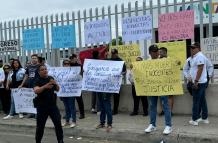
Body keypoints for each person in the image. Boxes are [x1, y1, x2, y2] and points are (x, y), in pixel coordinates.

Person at [144, 44, 172, 135]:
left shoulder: (163, 60)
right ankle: (152, 125)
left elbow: (172, 65)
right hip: (152, 88)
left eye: (157, 51)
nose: (156, 53)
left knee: (165, 105)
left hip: (162, 87)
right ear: (150, 53)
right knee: (152, 106)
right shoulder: (147, 62)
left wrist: (177, 63)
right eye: (154, 52)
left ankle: (168, 125)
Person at [33, 65, 64, 143]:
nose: (45, 70)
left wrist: (56, 84)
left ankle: (60, 140)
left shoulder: (51, 78)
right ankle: (38, 141)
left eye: (45, 69)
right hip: (42, 107)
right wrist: (45, 86)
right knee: (40, 126)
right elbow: (36, 90)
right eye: (42, 70)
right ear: (39, 72)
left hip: (53, 106)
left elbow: (58, 89)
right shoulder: (37, 80)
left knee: (58, 124)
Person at [187, 42, 210, 126]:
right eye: (191, 48)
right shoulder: (195, 57)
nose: (191, 49)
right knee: (202, 100)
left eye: (193, 48)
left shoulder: (199, 56)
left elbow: (200, 69)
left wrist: (196, 81)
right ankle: (204, 118)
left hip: (198, 83)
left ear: (198, 48)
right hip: (201, 82)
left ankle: (194, 119)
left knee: (196, 101)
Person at [109, 49, 126, 115]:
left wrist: (120, 73)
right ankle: (108, 109)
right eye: (112, 54)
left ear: (117, 53)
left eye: (114, 54)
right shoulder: (109, 60)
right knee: (108, 96)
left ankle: (115, 110)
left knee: (116, 97)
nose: (113, 55)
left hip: (117, 82)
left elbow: (124, 71)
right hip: (109, 81)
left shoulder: (121, 61)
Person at [60, 59, 77, 128]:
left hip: (71, 92)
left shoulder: (73, 72)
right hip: (63, 92)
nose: (66, 65)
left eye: (68, 64)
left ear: (70, 65)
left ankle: (74, 121)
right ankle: (67, 121)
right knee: (66, 107)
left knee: (72, 107)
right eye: (65, 64)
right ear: (63, 65)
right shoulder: (60, 72)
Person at [158, 47, 174, 116]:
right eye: (159, 52)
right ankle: (163, 110)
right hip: (160, 81)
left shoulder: (170, 60)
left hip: (169, 81)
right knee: (160, 97)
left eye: (160, 52)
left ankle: (170, 111)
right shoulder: (157, 60)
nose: (159, 53)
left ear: (165, 52)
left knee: (170, 96)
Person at [69, 54, 85, 119]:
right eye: (71, 58)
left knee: (79, 100)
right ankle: (70, 113)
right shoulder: (68, 65)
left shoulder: (79, 66)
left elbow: (83, 73)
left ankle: (82, 114)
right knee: (70, 101)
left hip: (77, 86)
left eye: (74, 58)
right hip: (70, 85)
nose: (73, 59)